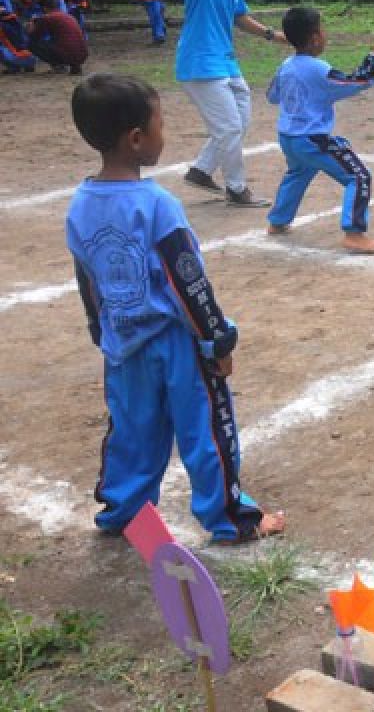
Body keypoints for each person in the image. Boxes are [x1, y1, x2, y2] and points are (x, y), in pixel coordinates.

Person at [65, 73, 286, 544]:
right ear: (137, 139)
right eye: (161, 124)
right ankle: (230, 519)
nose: (166, 133)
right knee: (206, 430)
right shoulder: (157, 205)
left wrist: (99, 331)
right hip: (177, 345)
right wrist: (217, 340)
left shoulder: (80, 205)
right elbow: (187, 282)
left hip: (122, 345)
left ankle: (123, 511)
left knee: (132, 431)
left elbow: (88, 279)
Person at [177, 0, 290, 207]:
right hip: (201, 62)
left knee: (239, 120)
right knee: (228, 127)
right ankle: (237, 189)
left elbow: (239, 16)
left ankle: (201, 170)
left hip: (225, 61)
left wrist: (273, 35)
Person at [265, 7, 374, 254]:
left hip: (288, 137)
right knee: (358, 176)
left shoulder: (286, 65)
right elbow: (355, 82)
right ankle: (354, 232)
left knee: (298, 172)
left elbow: (272, 96)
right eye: (322, 29)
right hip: (310, 139)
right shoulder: (318, 68)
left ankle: (277, 221)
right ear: (315, 38)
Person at [27, 0, 87, 74]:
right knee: (61, 41)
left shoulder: (47, 18)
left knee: (31, 44)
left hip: (66, 53)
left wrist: (31, 24)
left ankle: (59, 66)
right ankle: (74, 65)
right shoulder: (68, 16)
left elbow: (34, 36)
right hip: (82, 54)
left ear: (45, 8)